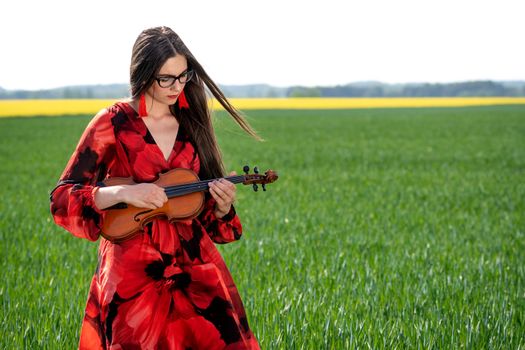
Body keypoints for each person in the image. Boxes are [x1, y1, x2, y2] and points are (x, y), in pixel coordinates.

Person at [50, 26, 260, 349]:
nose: (177, 87)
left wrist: (221, 206)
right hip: (133, 275)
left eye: (182, 77)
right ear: (144, 74)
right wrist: (122, 193)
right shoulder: (112, 123)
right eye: (166, 78)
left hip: (194, 270)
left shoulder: (192, 125)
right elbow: (62, 198)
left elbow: (206, 219)